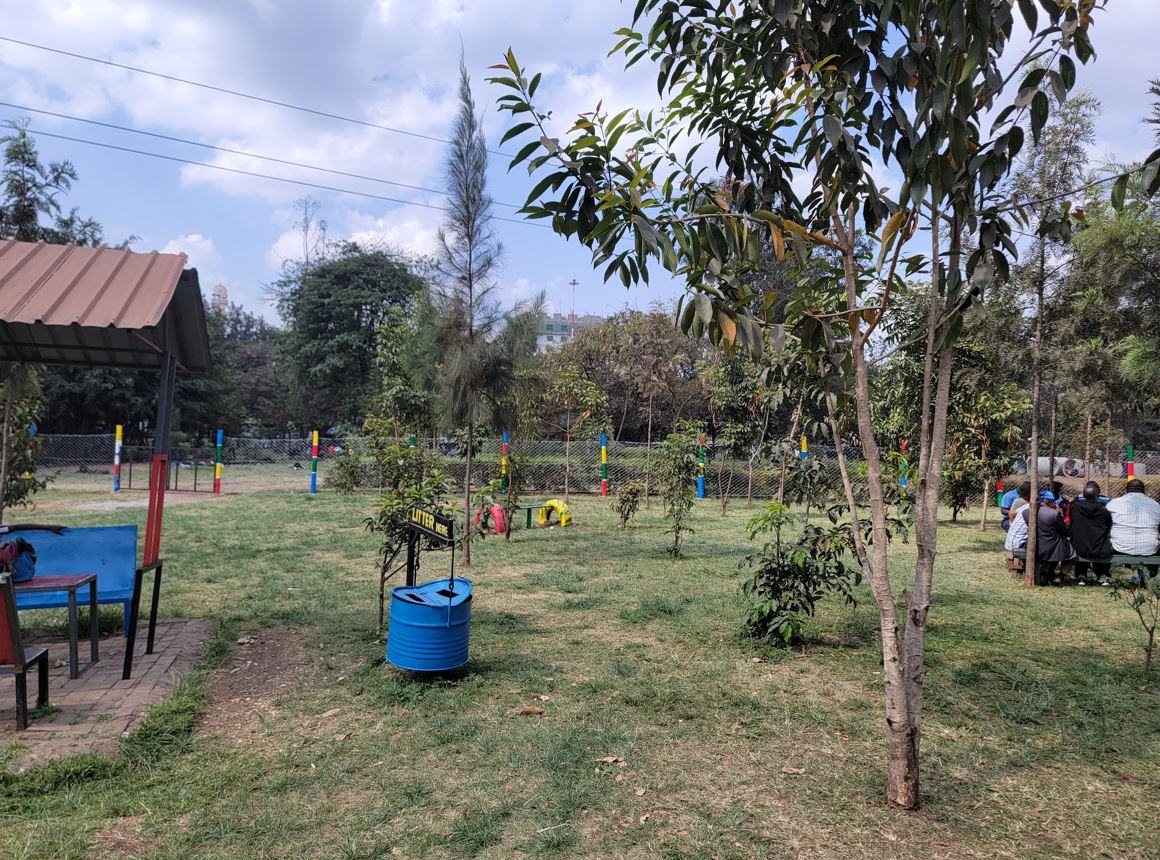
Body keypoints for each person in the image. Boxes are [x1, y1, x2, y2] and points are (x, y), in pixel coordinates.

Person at [1069, 481, 1113, 585]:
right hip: (1099, 548)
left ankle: (1081, 576)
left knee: (1082, 543)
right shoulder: (1103, 510)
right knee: (1102, 545)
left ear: (1083, 495)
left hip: (1079, 546)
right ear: (1098, 496)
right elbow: (1109, 525)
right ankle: (1103, 575)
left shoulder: (1075, 507)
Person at [1106, 479, 1160, 562]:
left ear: (1126, 490)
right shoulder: (1156, 505)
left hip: (1120, 547)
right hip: (1149, 548)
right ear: (1143, 490)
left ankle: (1103, 573)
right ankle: (1151, 572)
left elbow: (1105, 524)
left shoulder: (1113, 503)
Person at [1030, 490, 1076, 585]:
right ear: (1050, 501)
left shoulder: (1029, 511)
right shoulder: (1054, 514)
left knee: (1051, 553)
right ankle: (1060, 577)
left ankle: (1045, 573)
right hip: (1052, 546)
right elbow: (1064, 531)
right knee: (1071, 553)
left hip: (1035, 544)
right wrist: (1062, 517)